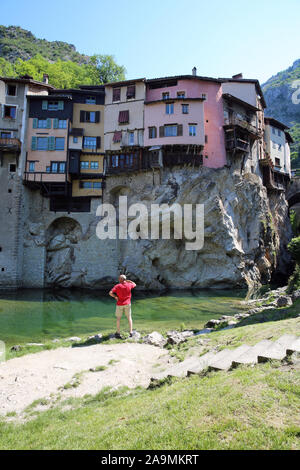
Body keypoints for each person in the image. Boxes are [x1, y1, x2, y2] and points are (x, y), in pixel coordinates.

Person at [109, 275, 136, 339]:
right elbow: (134, 284)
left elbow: (110, 293)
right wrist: (129, 281)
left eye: (119, 278)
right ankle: (131, 332)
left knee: (118, 319)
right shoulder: (129, 285)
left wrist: (115, 297)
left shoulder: (117, 286)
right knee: (129, 317)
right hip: (128, 304)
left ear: (120, 279)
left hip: (120, 304)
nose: (118, 279)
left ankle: (118, 333)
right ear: (125, 279)